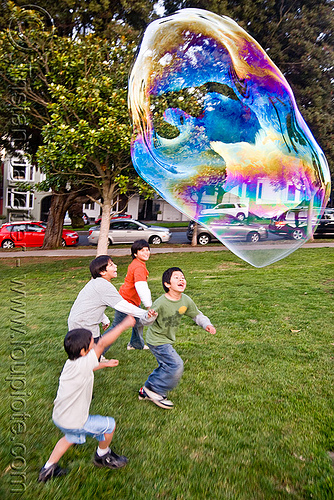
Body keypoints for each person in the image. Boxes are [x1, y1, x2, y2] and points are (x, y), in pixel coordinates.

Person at [38, 315, 136, 483]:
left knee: (70, 438)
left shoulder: (72, 363)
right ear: (84, 351)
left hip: (60, 417)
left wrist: (104, 364)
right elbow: (103, 343)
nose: (95, 344)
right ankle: (103, 456)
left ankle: (48, 468)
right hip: (76, 421)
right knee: (109, 425)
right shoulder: (83, 362)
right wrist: (123, 325)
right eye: (92, 342)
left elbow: (87, 367)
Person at [138, 267, 216, 409]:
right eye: (176, 277)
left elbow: (196, 315)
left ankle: (146, 389)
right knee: (176, 365)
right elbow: (145, 321)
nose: (181, 279)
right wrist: (149, 317)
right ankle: (156, 391)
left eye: (183, 277)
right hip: (157, 340)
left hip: (166, 339)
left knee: (166, 365)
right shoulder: (161, 302)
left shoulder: (185, 300)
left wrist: (207, 325)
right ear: (167, 284)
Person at [67, 255, 155, 358]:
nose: (116, 266)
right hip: (83, 325)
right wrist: (145, 313)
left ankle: (94, 360)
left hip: (81, 322)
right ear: (103, 272)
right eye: (111, 265)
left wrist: (104, 319)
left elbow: (93, 304)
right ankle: (78, 368)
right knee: (87, 357)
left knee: (92, 354)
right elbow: (123, 306)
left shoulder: (96, 283)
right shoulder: (103, 285)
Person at [111, 240, 152, 350]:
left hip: (132, 301)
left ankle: (136, 344)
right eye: (142, 251)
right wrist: (149, 306)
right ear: (135, 253)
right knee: (116, 328)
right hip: (126, 301)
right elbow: (141, 286)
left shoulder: (137, 264)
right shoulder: (138, 267)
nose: (146, 253)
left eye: (147, 250)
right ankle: (97, 352)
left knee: (139, 323)